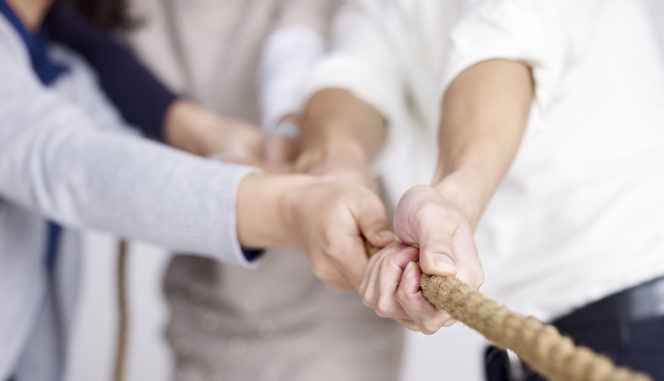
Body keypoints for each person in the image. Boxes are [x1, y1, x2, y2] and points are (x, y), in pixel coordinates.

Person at [0, 0, 394, 379]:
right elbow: (75, 164)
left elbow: (127, 152)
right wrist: (292, 209)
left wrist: (247, 149)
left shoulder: (62, 61)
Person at [297, 1, 664, 380]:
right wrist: (337, 166)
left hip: (649, 324)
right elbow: (351, 75)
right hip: (525, 352)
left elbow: (505, 39)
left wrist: (452, 199)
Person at [121, 1, 405, 380]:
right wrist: (204, 134)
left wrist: (285, 125)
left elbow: (306, 34)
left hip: (330, 309)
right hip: (205, 302)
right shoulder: (109, 20)